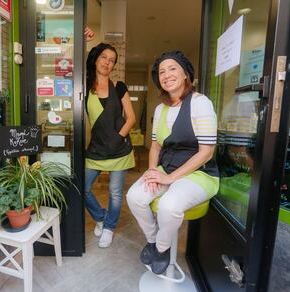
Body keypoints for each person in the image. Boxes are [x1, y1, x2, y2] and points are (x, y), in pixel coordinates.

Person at [126, 51, 219, 274]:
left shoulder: (200, 103)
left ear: (186, 74)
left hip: (199, 173)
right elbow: (156, 147)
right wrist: (151, 171)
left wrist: (169, 179)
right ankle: (154, 239)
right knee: (135, 197)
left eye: (172, 68)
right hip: (166, 168)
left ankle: (161, 247)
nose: (166, 75)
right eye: (161, 72)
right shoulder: (160, 109)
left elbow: (206, 152)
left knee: (169, 206)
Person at [84, 43, 136, 248]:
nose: (107, 62)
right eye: (104, 57)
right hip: (96, 149)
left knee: (115, 193)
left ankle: (109, 228)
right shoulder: (86, 86)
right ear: (96, 59)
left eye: (112, 60)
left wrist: (117, 138)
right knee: (83, 188)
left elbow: (131, 118)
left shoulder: (119, 87)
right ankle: (101, 217)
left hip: (119, 150)